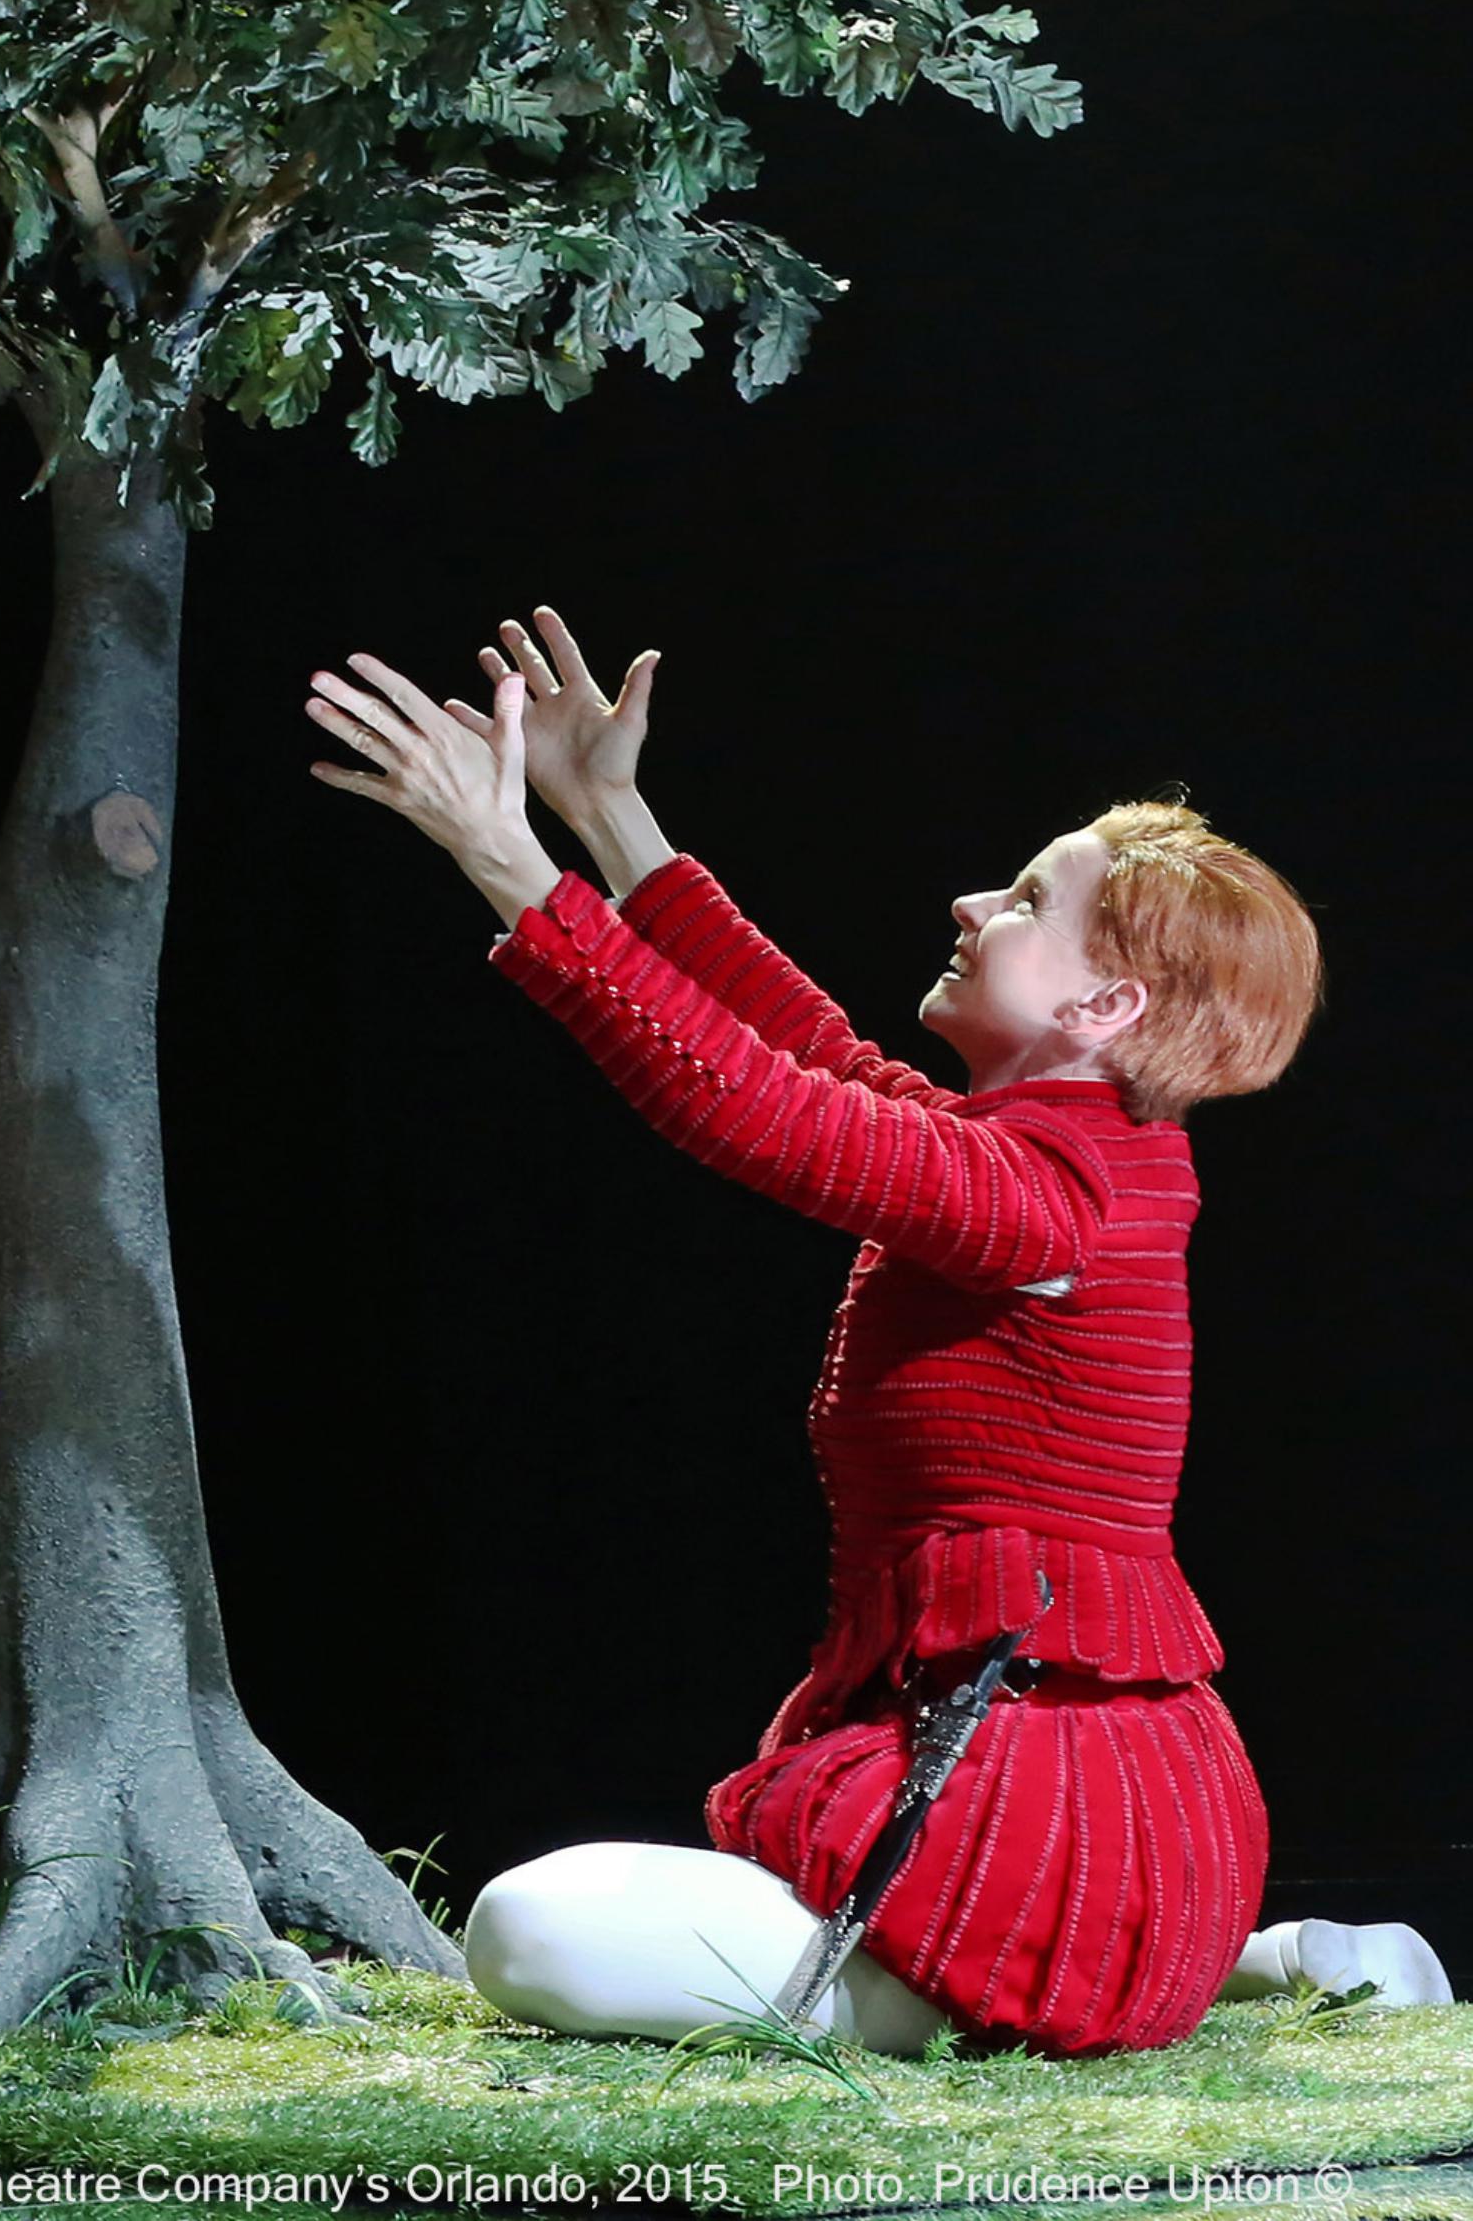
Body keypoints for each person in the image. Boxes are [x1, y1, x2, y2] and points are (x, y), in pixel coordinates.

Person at [305, 610, 1453, 2058]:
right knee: (587, 1920)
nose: (973, 904)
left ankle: (1053, 1977)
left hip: (1050, 1793)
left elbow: (757, 1105)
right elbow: (814, 1058)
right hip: (1080, 1780)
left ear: (1104, 1002)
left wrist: (504, 859)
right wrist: (605, 811)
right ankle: (1246, 1960)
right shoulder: (1056, 1153)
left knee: (531, 1930)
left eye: (1025, 901)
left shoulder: (1058, 1197)